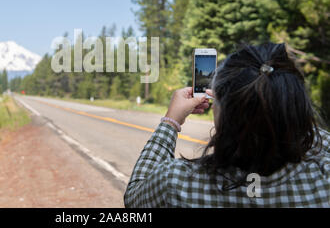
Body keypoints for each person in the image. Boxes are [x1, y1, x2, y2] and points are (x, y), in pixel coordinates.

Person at [124, 43, 329, 207]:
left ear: (221, 112)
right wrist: (278, 108)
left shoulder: (177, 182)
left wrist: (171, 121)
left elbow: (134, 197)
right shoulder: (324, 175)